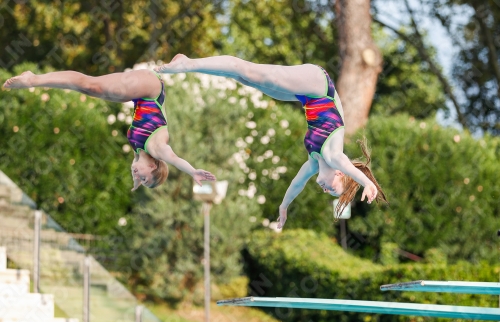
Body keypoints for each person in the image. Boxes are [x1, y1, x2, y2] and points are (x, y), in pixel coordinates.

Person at [156, 54, 388, 228]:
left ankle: (192, 66)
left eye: (329, 193)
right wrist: (366, 183)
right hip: (319, 87)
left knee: (247, 79)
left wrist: (284, 206)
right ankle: (187, 64)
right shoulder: (333, 155)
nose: (326, 191)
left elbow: (297, 184)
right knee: (251, 72)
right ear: (339, 174)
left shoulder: (315, 163)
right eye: (334, 189)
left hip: (306, 97)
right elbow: (346, 164)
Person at [3, 69, 216, 191]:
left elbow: (137, 167)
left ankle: (35, 80)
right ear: (153, 167)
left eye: (140, 181)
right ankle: (33, 79)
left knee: (88, 87)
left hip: (143, 92)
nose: (137, 177)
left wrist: (135, 183)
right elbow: (174, 158)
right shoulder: (157, 148)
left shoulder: (139, 150)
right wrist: (192, 171)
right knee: (91, 86)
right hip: (151, 88)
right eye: (144, 178)